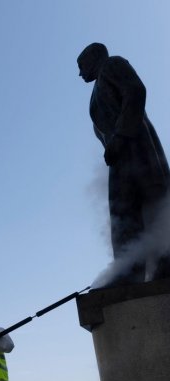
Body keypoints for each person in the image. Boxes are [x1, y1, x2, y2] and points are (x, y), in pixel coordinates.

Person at [78, 42, 170, 284]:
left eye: (81, 66)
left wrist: (120, 137)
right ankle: (130, 269)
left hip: (134, 145)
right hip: (119, 153)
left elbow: (135, 91)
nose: (79, 73)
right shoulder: (96, 87)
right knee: (124, 211)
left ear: (93, 58)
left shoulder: (112, 64)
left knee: (150, 204)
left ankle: (161, 263)